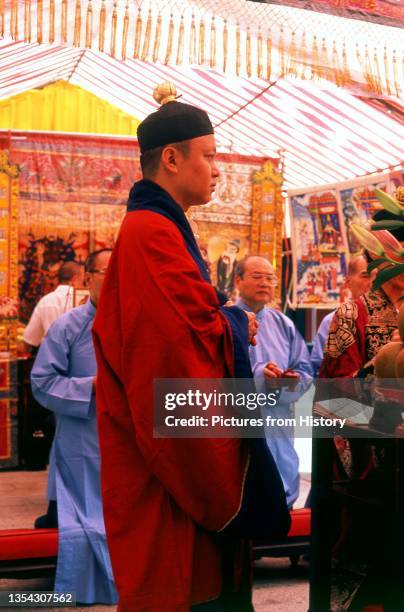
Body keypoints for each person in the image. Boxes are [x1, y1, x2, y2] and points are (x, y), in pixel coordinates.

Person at [92, 83, 290, 611]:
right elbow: (172, 346)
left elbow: (191, 323)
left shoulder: (163, 228)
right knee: (174, 582)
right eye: (210, 156)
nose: (217, 169)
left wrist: (224, 321)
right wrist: (229, 322)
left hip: (170, 436)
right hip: (158, 457)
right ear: (173, 158)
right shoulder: (150, 233)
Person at [31, 249, 117, 605]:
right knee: (85, 524)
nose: (114, 280)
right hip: (83, 442)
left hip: (130, 443)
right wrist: (90, 387)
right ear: (87, 278)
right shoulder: (69, 326)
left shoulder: (141, 323)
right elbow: (42, 382)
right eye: (105, 272)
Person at [235, 255, 313, 508]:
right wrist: (260, 377)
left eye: (270, 278)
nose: (265, 283)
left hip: (278, 421)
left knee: (281, 492)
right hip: (238, 422)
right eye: (257, 277)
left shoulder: (284, 324)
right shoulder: (225, 321)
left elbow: (305, 370)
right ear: (238, 280)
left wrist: (287, 383)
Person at [310, 254, 374, 376]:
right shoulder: (333, 321)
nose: (372, 282)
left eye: (376, 277)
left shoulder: (391, 317)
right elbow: (318, 369)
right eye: (365, 276)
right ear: (348, 282)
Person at [22, 260, 84, 352]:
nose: (83, 285)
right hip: (79, 359)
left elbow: (30, 340)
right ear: (75, 279)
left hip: (51, 358)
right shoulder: (84, 300)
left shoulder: (45, 301)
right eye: (82, 280)